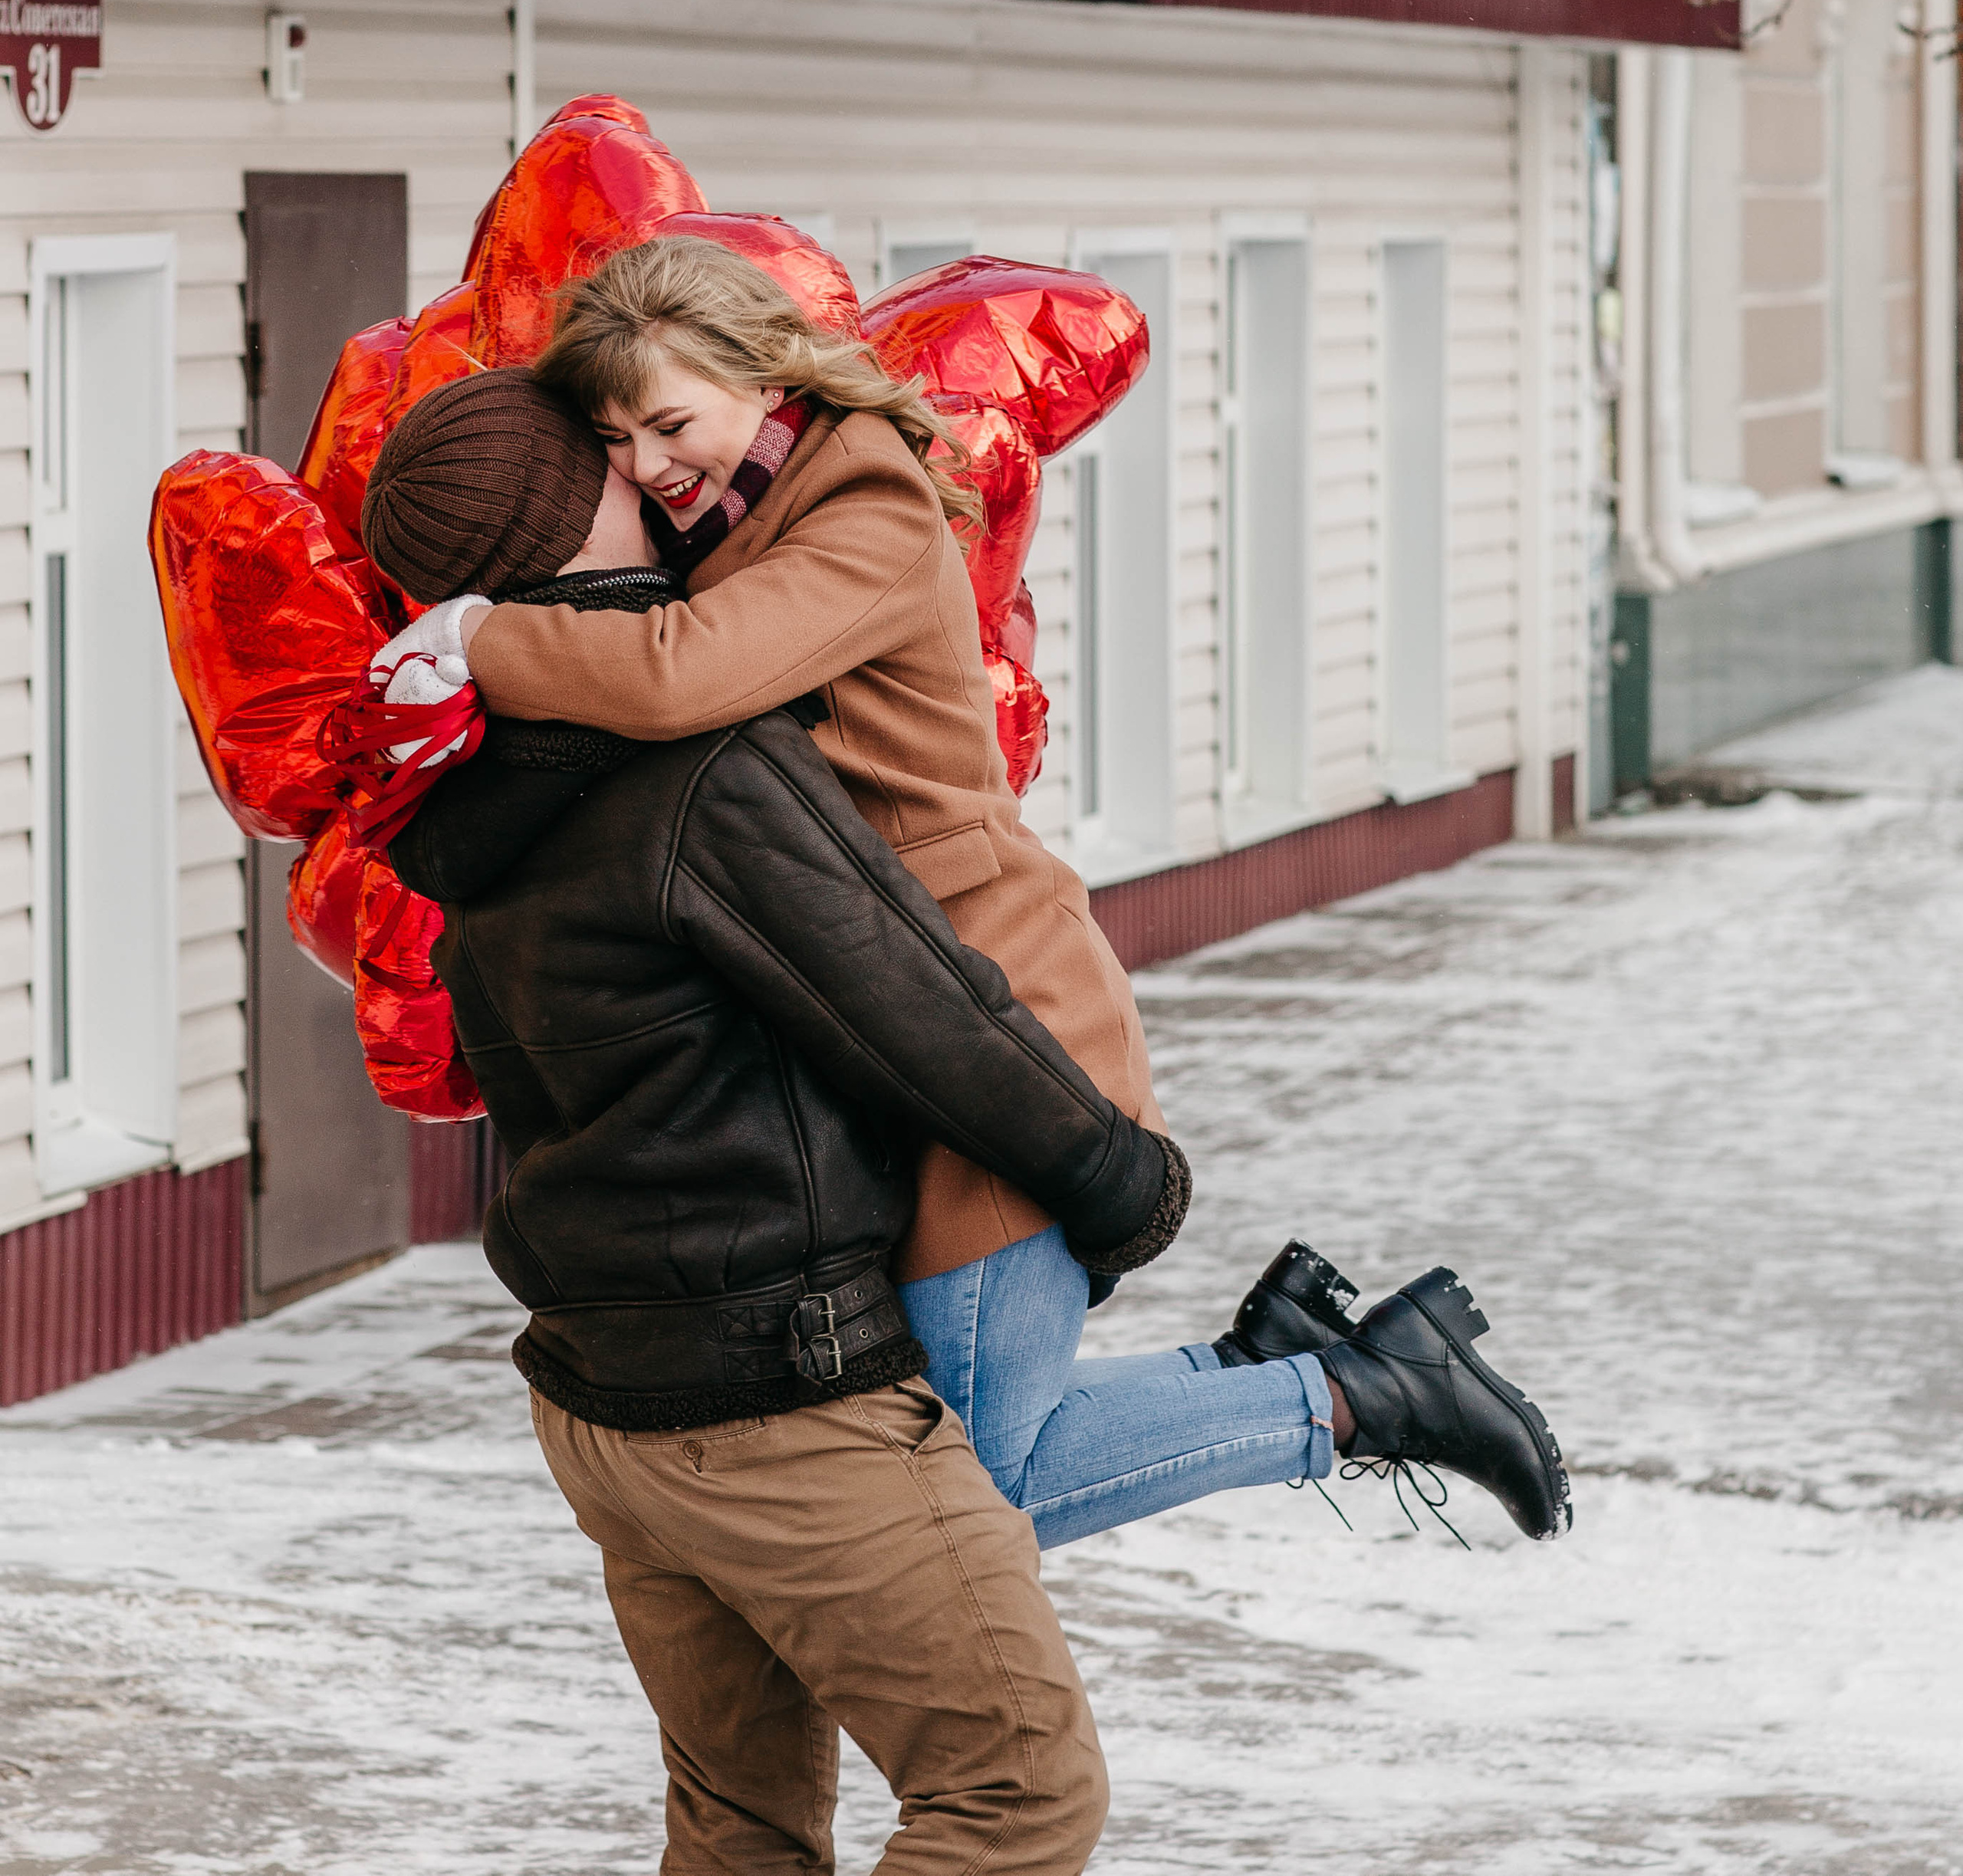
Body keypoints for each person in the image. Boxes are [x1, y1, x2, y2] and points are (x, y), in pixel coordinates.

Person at [369, 245, 1570, 1549]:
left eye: (672, 422)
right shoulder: (725, 527)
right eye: (619, 443)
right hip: (889, 1029)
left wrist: (479, 638)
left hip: (992, 1019)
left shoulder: (862, 509)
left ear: (763, 372)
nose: (654, 465)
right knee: (960, 1455)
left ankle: (1353, 1393)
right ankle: (1278, 1361)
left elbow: (676, 676)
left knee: (978, 1496)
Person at [371, 367, 1183, 1876]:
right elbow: (917, 1008)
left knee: (739, 1833)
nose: (656, 467)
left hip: (601, 1394)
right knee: (1015, 1795)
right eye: (614, 452)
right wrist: (1115, 1175)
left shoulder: (466, 795)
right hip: (777, 1394)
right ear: (585, 503)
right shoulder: (706, 767)